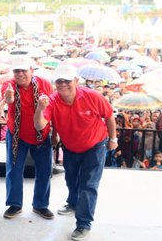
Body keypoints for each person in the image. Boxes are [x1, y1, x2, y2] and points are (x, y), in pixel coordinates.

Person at [34, 65, 118, 241]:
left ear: (76, 81)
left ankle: (83, 223)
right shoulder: (52, 99)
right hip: (71, 147)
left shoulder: (92, 96)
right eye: (59, 81)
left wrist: (113, 139)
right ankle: (72, 203)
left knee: (89, 185)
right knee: (71, 180)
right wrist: (40, 109)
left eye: (67, 80)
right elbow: (40, 125)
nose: (63, 84)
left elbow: (109, 116)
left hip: (95, 146)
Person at [1, 55, 54, 220]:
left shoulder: (44, 83)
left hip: (41, 134)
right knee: (14, 171)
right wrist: (9, 96)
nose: (20, 74)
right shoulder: (8, 85)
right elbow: (8, 99)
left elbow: (52, 106)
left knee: (45, 171)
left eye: (23, 70)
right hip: (17, 135)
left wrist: (56, 133)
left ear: (31, 70)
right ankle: (15, 204)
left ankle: (40, 205)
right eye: (16, 71)